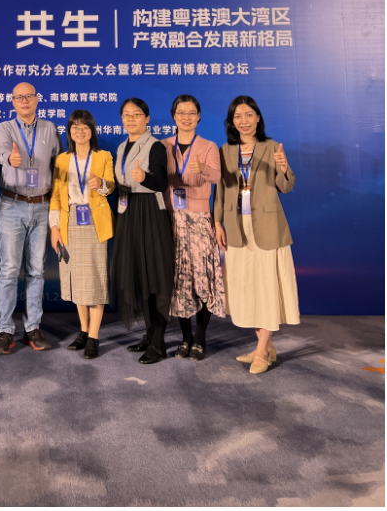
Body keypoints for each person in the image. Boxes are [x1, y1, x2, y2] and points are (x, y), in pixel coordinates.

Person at [214, 95, 299, 375]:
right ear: (232, 121)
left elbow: (286, 186)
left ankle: (262, 350)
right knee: (246, 287)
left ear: (258, 118)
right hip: (236, 227)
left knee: (266, 286)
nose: (244, 120)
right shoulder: (225, 151)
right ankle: (267, 346)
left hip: (267, 227)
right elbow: (220, 190)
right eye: (238, 116)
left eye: (249, 115)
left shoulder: (272, 147)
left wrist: (283, 167)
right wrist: (217, 223)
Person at [0, 82, 63, 354]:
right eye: (19, 97)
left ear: (37, 99)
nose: (24, 100)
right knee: (9, 270)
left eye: (29, 96)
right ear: (12, 101)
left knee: (36, 270)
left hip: (42, 206)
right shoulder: (4, 128)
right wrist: (9, 158)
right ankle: (5, 330)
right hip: (13, 204)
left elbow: (59, 164)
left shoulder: (50, 129)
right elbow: (0, 152)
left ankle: (32, 327)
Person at [110, 97, 173, 365]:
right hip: (128, 212)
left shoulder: (155, 146)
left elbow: (162, 183)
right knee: (138, 276)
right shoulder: (121, 147)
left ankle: (159, 343)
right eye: (126, 115)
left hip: (150, 213)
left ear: (147, 118)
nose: (131, 119)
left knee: (155, 278)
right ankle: (149, 334)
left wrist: (144, 178)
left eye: (136, 114)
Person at [162, 95, 225, 361]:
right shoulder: (163, 145)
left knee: (202, 278)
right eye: (181, 112)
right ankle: (185, 338)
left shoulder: (208, 146)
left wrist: (203, 170)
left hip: (199, 219)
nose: (186, 117)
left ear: (199, 116)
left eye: (191, 112)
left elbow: (218, 177)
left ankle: (200, 337)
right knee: (180, 281)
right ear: (173, 116)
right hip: (171, 220)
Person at [49, 110, 115, 360]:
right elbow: (56, 196)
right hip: (69, 223)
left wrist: (102, 184)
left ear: (92, 130)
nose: (80, 131)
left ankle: (94, 336)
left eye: (84, 126)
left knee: (95, 279)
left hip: (95, 222)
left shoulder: (103, 156)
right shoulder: (61, 160)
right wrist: (54, 228)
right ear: (69, 132)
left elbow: (111, 185)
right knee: (77, 278)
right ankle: (84, 331)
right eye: (75, 127)